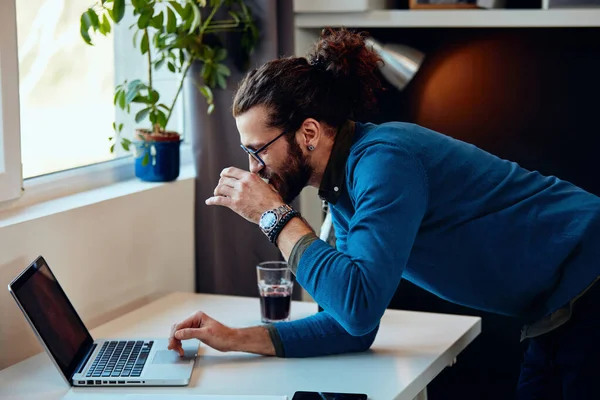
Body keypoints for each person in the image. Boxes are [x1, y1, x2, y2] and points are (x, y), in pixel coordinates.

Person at [168, 28, 600, 399]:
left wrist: (274, 217)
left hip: (589, 277)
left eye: (257, 150)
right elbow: (351, 325)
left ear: (310, 133)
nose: (252, 169)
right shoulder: (343, 192)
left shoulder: (385, 160)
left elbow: (358, 308)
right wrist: (232, 339)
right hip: (556, 308)